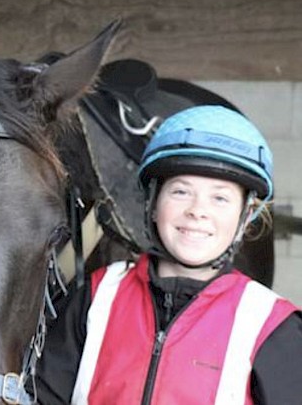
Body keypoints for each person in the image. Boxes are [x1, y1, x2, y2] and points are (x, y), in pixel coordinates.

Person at [30, 105, 302, 405]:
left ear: (245, 214)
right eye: (180, 192)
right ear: (153, 204)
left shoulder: (272, 325)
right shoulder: (96, 298)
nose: (198, 211)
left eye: (220, 198)